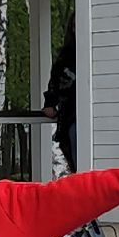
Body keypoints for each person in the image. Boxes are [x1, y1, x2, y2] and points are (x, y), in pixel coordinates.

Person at [42, 13, 76, 172]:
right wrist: (49, 103)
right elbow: (55, 82)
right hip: (70, 118)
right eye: (76, 25)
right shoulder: (66, 57)